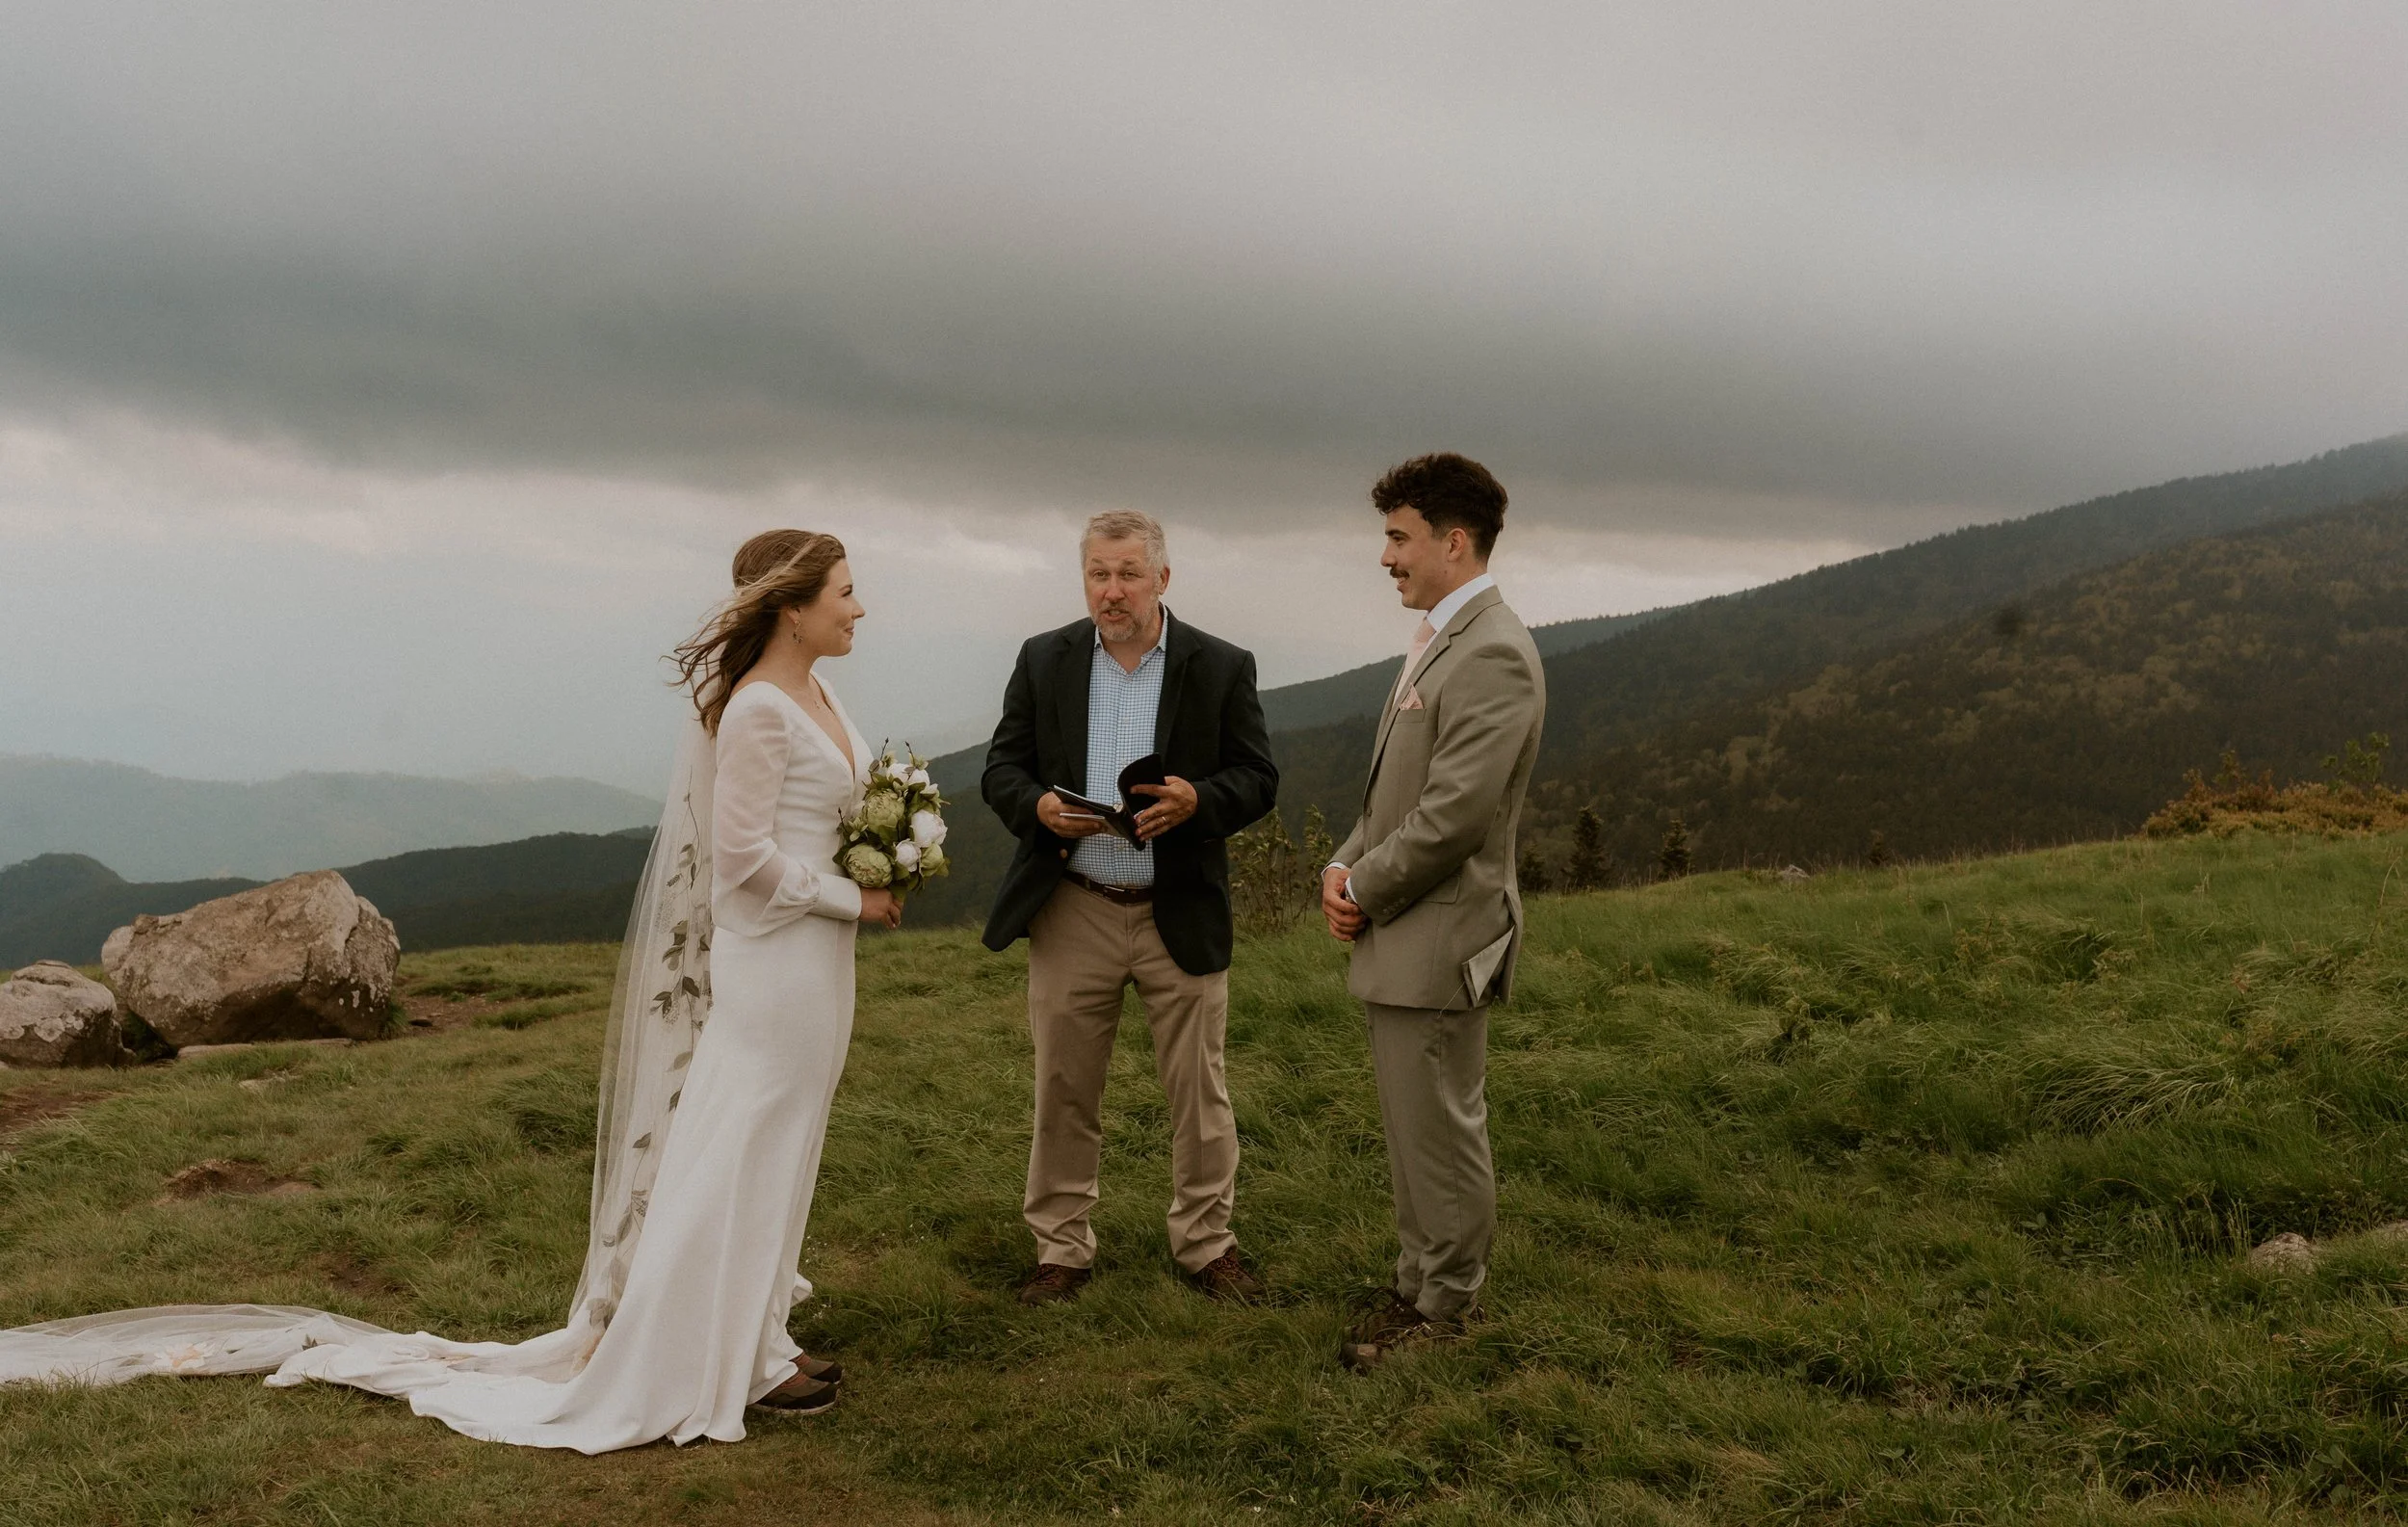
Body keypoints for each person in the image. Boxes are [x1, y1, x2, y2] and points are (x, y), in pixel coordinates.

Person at [0, 530, 902, 1451]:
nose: (858, 606)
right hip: (779, 960)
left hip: (819, 959)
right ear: (793, 607)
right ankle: (722, 1356)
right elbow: (740, 866)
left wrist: (888, 847)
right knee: (743, 1145)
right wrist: (853, 897)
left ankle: (758, 1333)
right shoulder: (755, 709)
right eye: (845, 590)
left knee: (787, 1143)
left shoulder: (817, 689)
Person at [982, 510, 1279, 1304]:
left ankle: (1207, 1244)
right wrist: (1039, 807)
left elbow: (1258, 776)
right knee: (1064, 1086)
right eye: (1097, 574)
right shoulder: (1044, 659)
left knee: (1199, 1090)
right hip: (1073, 902)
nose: (1111, 592)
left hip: (1176, 904)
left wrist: (1199, 799)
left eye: (1128, 574)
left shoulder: (1219, 665)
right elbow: (1001, 768)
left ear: (1163, 579)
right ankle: (1062, 1249)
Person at [1319, 454, 1545, 1371]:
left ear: (1455, 542)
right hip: (1403, 933)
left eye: (1399, 537)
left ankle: (1446, 1313)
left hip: (1442, 935)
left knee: (1442, 1130)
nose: (1387, 557)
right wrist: (1342, 862)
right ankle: (1416, 1283)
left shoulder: (1492, 650)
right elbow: (1393, 794)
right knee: (1414, 1125)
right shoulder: (1441, 637)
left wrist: (1365, 889)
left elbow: (1454, 816)